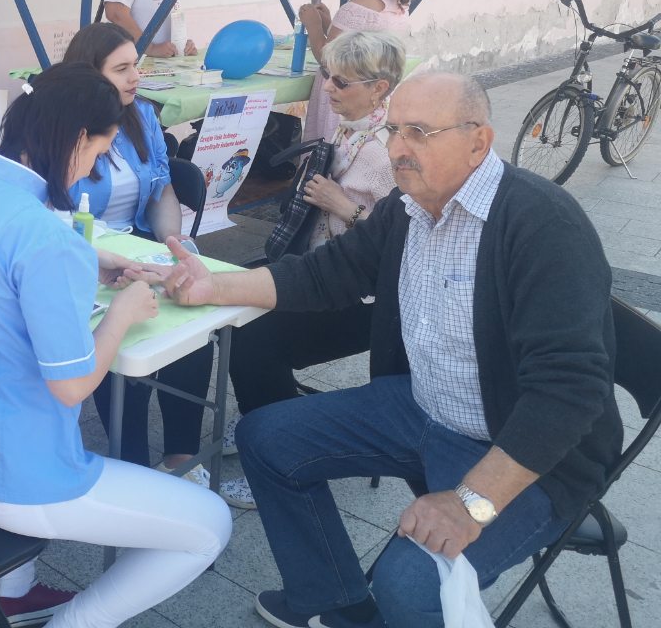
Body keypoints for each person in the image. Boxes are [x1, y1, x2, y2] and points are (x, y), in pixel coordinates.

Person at [134, 72, 622, 628]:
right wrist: (212, 286)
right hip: (423, 409)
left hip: (522, 450)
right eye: (393, 129)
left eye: (418, 132)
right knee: (265, 438)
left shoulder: (541, 223)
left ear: (478, 142)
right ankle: (337, 603)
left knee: (410, 586)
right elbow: (323, 276)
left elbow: (569, 392)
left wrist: (471, 503)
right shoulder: (407, 208)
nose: (396, 148)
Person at [0, 64, 231, 628]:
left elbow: (3, 257)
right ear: (76, 140)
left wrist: (92, 258)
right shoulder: (44, 240)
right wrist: (122, 312)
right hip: (16, 475)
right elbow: (71, 386)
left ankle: (13, 595)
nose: (92, 171)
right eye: (98, 154)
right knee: (210, 526)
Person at [219, 30, 406, 510]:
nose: (328, 89)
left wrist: (345, 208)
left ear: (379, 87)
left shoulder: (391, 152)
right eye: (328, 76)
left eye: (341, 82)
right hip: (318, 269)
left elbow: (403, 246)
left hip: (362, 296)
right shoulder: (351, 128)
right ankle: (262, 421)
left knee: (256, 336)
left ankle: (279, 456)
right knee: (241, 307)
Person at [62, 22, 243, 505]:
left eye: (136, 64)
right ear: (90, 75)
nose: (136, 76)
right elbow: (56, 214)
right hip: (87, 250)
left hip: (141, 244)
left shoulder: (141, 116)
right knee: (123, 345)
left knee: (195, 320)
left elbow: (162, 187)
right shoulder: (65, 126)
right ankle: (131, 462)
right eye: (122, 68)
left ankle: (181, 454)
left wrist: (172, 239)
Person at [300, 0, 413, 142]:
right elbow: (356, 46)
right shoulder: (397, 3)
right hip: (372, 98)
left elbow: (328, 58)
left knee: (331, 153)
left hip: (345, 97)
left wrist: (313, 26)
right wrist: (328, 25)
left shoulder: (358, 6)